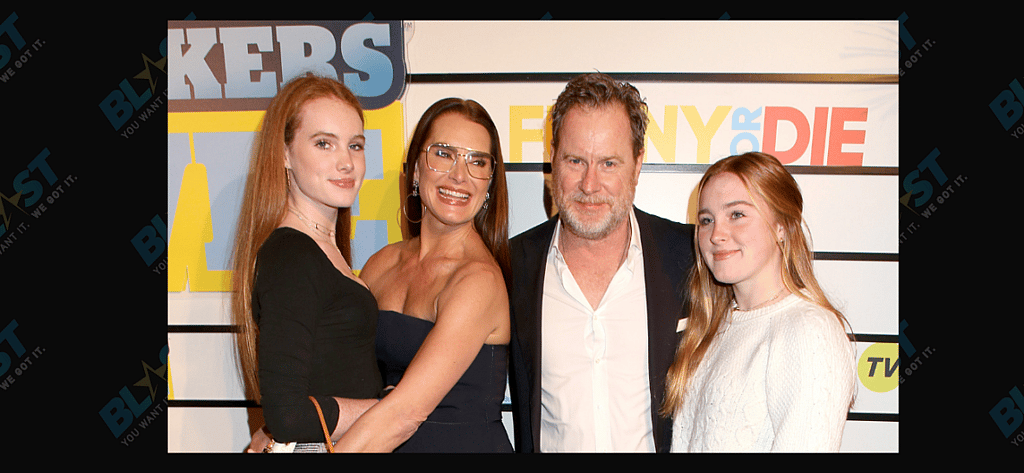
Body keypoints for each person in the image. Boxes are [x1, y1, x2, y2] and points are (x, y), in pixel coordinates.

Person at [508, 73, 695, 452]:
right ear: (553, 159)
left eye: (609, 163)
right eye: (575, 160)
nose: (589, 184)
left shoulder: (690, 256)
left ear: (637, 164)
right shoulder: (510, 267)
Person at [331, 98, 514, 452]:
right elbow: (344, 377)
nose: (459, 176)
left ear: (490, 183)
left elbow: (404, 414)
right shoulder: (381, 264)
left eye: (477, 162)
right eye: (444, 154)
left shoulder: (479, 281)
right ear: (416, 169)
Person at [663, 152, 856, 452]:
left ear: (781, 225)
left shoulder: (808, 330)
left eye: (736, 215)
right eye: (706, 220)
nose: (717, 234)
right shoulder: (714, 327)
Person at [231, 74, 383, 452]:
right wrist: (384, 410)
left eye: (355, 145)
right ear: (284, 153)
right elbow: (288, 416)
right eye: (323, 144)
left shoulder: (320, 250)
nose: (346, 162)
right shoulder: (292, 256)